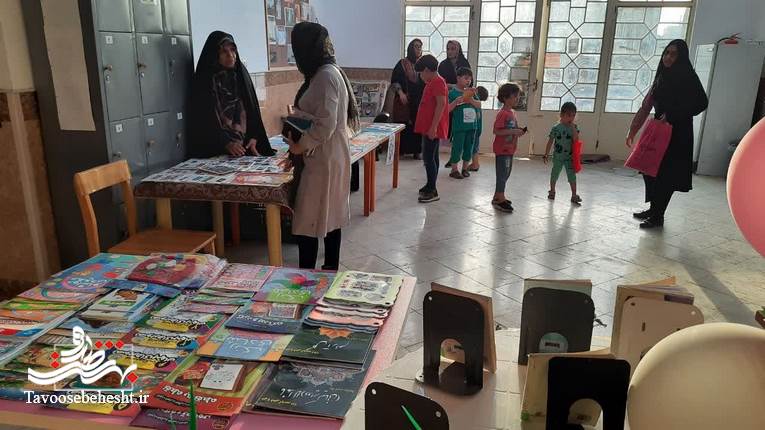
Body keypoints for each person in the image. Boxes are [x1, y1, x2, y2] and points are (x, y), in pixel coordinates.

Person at [285, 22, 360, 269]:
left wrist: (299, 146)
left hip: (324, 158)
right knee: (329, 216)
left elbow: (325, 125)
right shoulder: (324, 72)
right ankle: (328, 271)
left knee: (310, 219)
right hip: (328, 154)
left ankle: (310, 276)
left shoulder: (326, 76)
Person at [626, 39, 708, 229]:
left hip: (677, 134)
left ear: (681, 57)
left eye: (674, 54)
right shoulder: (662, 76)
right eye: (666, 53)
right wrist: (633, 130)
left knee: (666, 176)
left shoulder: (688, 77)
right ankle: (653, 209)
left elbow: (701, 103)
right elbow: (647, 104)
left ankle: (658, 215)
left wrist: (672, 114)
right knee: (648, 169)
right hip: (657, 130)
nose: (668, 57)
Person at [188, 31, 275, 158]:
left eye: (233, 50)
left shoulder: (241, 75)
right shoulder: (205, 80)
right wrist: (226, 143)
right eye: (224, 51)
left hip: (245, 148)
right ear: (215, 55)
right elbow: (204, 119)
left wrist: (253, 137)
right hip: (215, 150)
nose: (230, 55)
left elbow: (253, 111)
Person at [414, 54, 449, 203]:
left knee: (429, 158)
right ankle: (430, 184)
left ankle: (432, 190)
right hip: (429, 127)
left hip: (432, 128)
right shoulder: (432, 82)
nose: (420, 76)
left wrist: (433, 127)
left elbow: (441, 104)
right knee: (432, 157)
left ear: (427, 70)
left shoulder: (438, 82)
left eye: (421, 73)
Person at [492, 83, 526, 213]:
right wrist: (513, 132)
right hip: (502, 149)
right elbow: (496, 131)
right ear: (506, 98)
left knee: (506, 172)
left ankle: (497, 195)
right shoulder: (503, 114)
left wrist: (519, 131)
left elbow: (512, 129)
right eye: (515, 96)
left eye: (518, 96)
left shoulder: (512, 113)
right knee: (502, 174)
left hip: (510, 149)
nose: (517, 98)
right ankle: (500, 198)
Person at [390, 39, 425, 159]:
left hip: (418, 100)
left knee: (417, 125)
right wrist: (400, 93)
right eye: (416, 46)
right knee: (403, 125)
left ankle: (416, 151)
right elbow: (395, 80)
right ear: (410, 48)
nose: (418, 49)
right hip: (404, 99)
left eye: (420, 47)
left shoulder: (422, 64)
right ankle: (401, 151)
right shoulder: (402, 63)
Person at [544, 102, 582, 204]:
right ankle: (552, 191)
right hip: (558, 157)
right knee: (555, 173)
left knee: (572, 175)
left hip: (569, 157)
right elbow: (550, 141)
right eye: (568, 115)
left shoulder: (574, 128)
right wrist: (546, 154)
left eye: (573, 115)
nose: (571, 118)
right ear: (561, 115)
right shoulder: (556, 128)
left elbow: (576, 140)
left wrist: (573, 128)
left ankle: (574, 195)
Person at [447, 68, 481, 179]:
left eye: (470, 79)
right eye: (466, 78)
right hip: (459, 127)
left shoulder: (471, 92)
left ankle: (465, 168)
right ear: (458, 78)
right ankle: (454, 169)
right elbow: (447, 109)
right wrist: (456, 101)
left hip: (472, 126)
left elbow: (479, 105)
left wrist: (471, 99)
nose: (468, 81)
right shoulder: (452, 93)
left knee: (469, 148)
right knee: (457, 148)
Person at [467, 86, 489, 172]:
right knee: (475, 146)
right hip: (477, 128)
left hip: (475, 128)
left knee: (474, 147)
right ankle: (475, 163)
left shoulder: (475, 101)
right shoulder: (477, 102)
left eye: (475, 89)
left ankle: (475, 164)